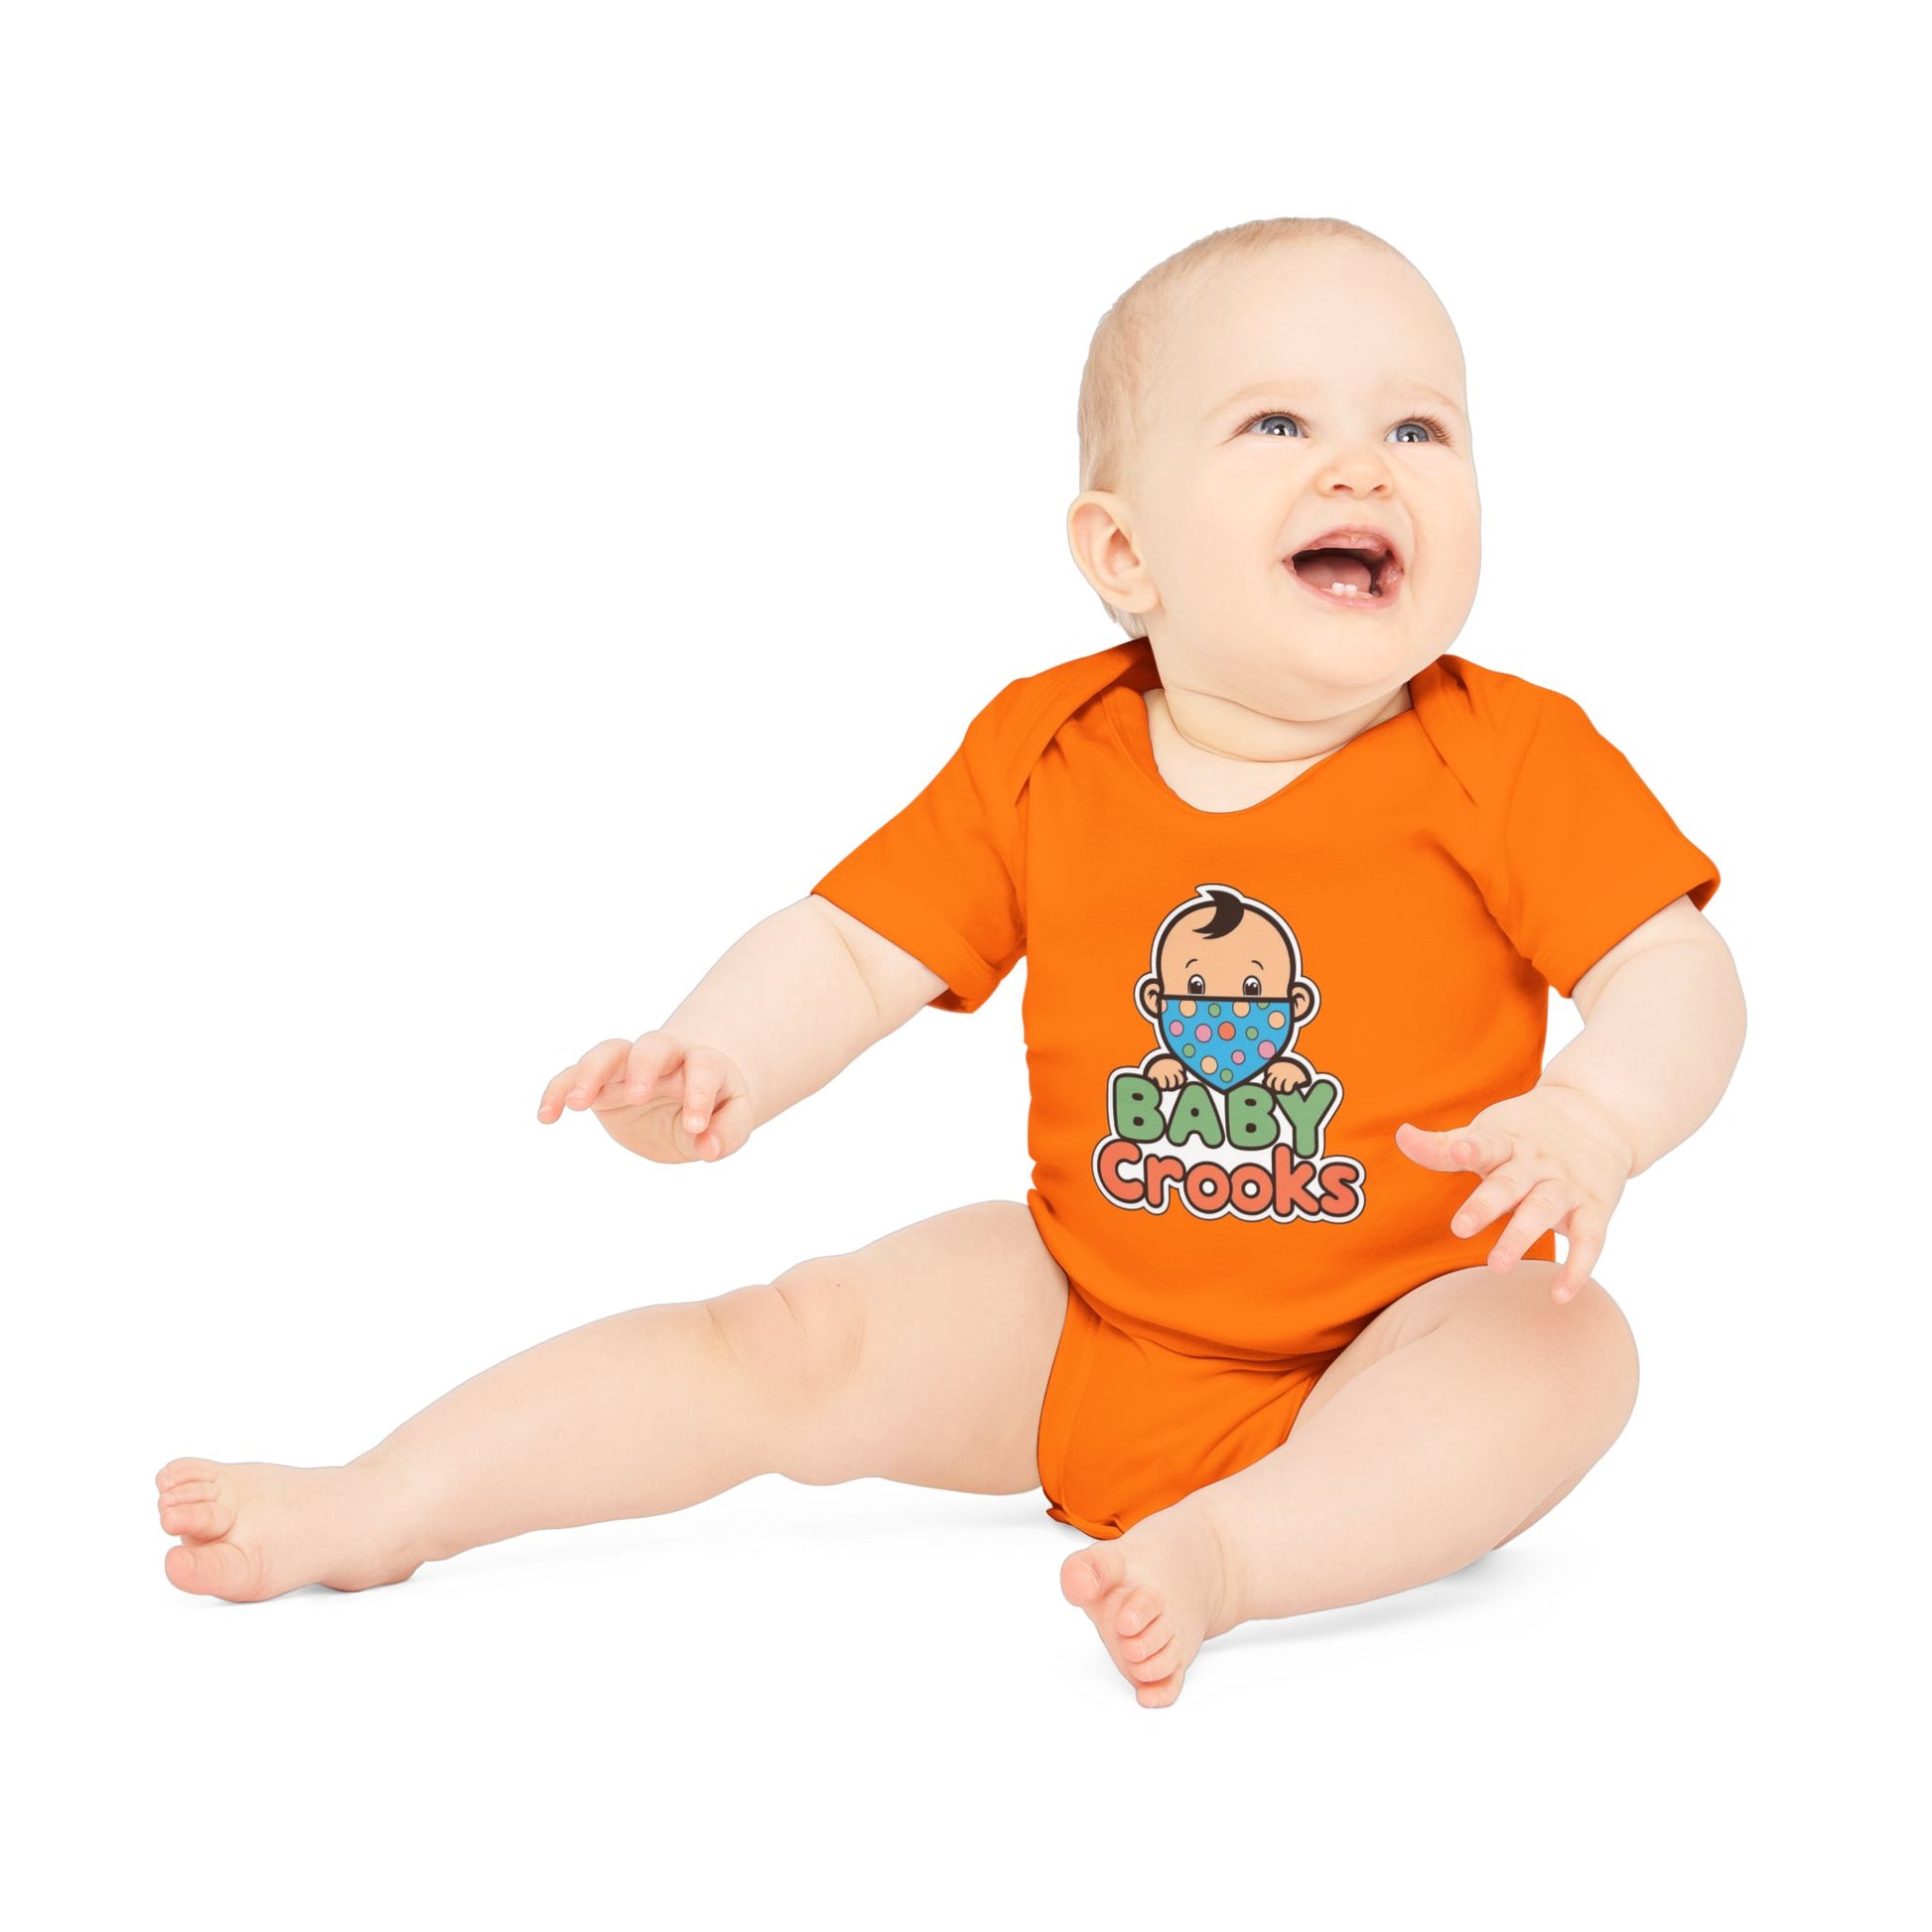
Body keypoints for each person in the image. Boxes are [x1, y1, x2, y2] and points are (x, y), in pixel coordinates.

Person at [156, 215, 1745, 1709]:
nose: (1361, 465)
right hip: (1082, 1313)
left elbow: (1675, 969)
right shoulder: (1048, 749)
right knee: (788, 1336)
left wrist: (1594, 1115)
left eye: (1418, 427)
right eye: (1276, 423)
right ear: (1122, 551)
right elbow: (855, 946)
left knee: (1565, 1351)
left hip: (1394, 1345)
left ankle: (1230, 1553)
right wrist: (716, 1051)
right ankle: (386, 1497)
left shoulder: (1510, 757)